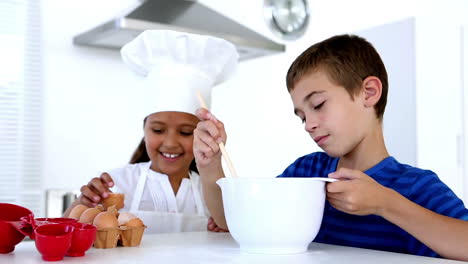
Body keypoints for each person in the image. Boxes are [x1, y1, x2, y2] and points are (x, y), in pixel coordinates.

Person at [193, 34, 468, 260]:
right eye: (301, 116)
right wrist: (210, 166)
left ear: (368, 93)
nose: (308, 125)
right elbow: (238, 221)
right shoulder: (306, 170)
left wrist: (385, 203)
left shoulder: (413, 187)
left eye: (318, 105)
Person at [64, 30, 237, 234]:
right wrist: (84, 204)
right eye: (158, 130)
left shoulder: (211, 192)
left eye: (185, 132)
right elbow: (66, 230)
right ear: (144, 130)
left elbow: (232, 229)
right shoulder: (118, 184)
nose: (171, 142)